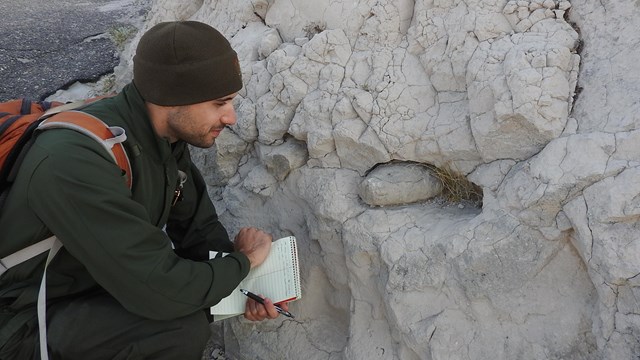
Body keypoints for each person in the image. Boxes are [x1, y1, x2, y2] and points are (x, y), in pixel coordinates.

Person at [0, 21, 288, 359]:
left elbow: (199, 232)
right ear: (174, 97)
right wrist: (244, 262)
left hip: (88, 289)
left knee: (187, 312)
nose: (231, 117)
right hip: (22, 318)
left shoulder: (161, 136)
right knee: (178, 330)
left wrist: (245, 288)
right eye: (219, 103)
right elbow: (161, 291)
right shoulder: (73, 160)